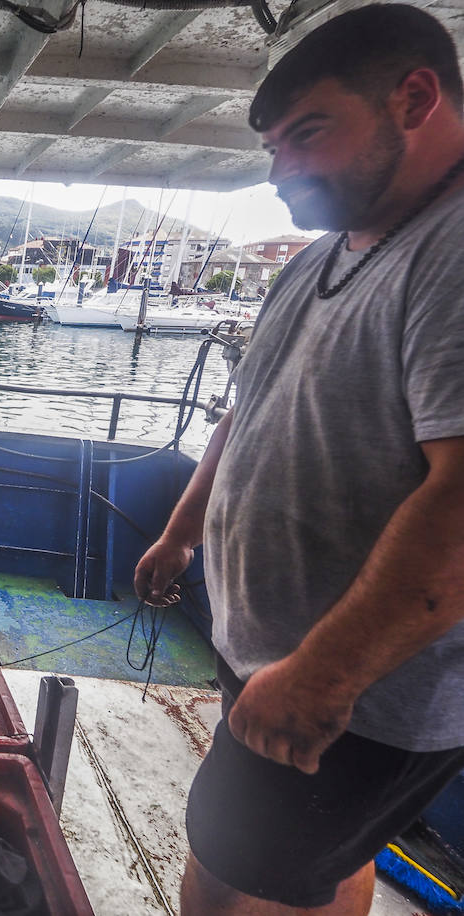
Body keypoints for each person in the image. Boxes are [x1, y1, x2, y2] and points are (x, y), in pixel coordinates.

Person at [133, 7, 464, 914]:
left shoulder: (453, 248)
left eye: (309, 135)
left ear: (415, 98)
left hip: (356, 693)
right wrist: (181, 531)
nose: (283, 172)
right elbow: (249, 413)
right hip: (274, 655)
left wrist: (324, 677)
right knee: (314, 861)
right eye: (275, 148)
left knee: (226, 860)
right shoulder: (311, 264)